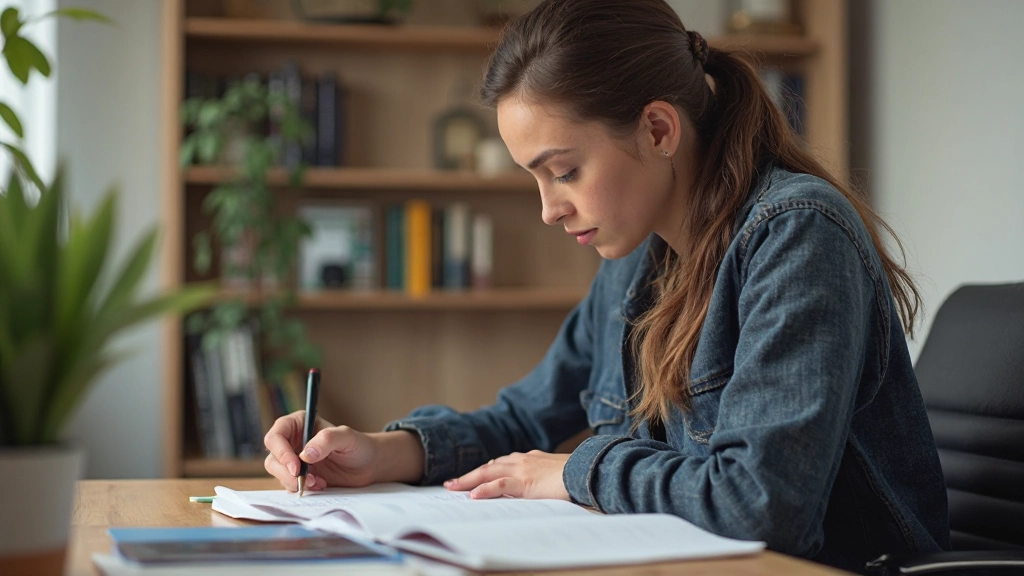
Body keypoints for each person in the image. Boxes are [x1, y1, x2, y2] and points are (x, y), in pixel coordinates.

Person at [264, 0, 950, 572]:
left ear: (657, 129)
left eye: (563, 171)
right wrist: (386, 451)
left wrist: (571, 472)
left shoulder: (797, 233)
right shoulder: (636, 252)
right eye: (533, 178)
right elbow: (525, 418)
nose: (547, 209)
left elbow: (764, 504)